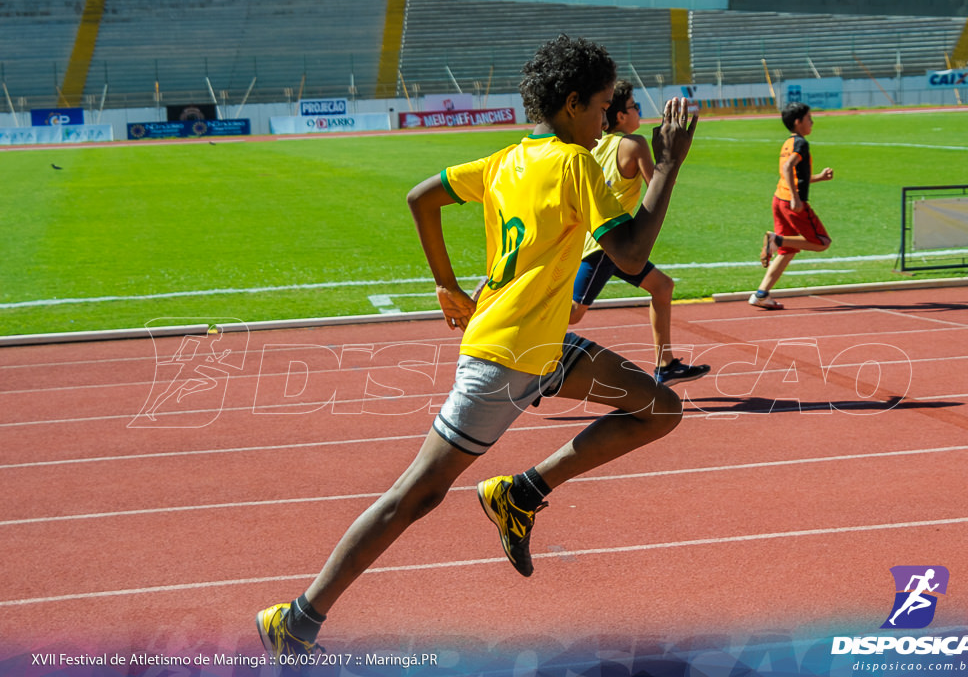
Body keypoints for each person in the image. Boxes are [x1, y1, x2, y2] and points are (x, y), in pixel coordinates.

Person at [256, 34, 698, 660]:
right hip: (505, 360)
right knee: (416, 494)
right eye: (603, 107)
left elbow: (422, 197)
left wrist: (445, 283)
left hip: (539, 345)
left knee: (658, 407)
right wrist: (671, 161)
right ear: (573, 104)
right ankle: (296, 619)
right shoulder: (576, 163)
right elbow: (629, 255)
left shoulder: (505, 160)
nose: (609, 118)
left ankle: (520, 492)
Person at [569, 80, 709, 385]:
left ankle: (665, 364)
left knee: (662, 287)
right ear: (620, 116)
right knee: (574, 313)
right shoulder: (634, 144)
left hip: (607, 240)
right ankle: (521, 338)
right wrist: (671, 155)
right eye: (634, 106)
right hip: (606, 246)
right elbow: (658, 183)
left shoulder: (597, 145)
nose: (638, 112)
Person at [749, 101, 833, 310]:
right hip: (790, 202)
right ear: (798, 122)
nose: (812, 122)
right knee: (822, 242)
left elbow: (794, 175)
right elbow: (788, 168)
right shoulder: (801, 144)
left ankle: (761, 294)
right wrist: (796, 198)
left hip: (779, 198)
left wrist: (819, 178)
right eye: (809, 119)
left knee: (788, 251)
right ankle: (775, 240)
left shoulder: (788, 143)